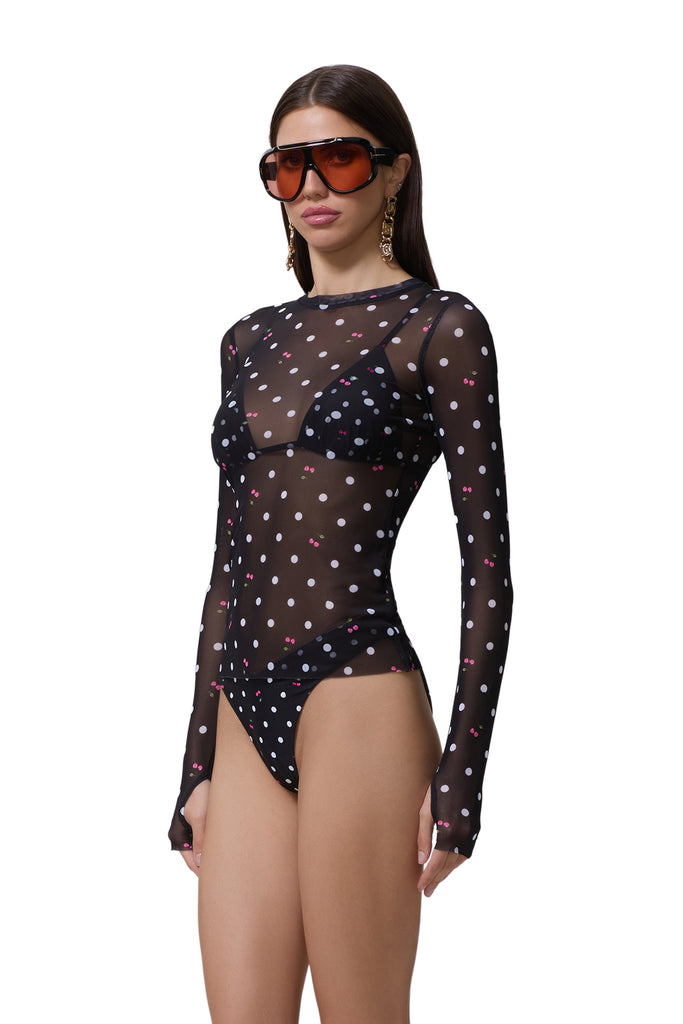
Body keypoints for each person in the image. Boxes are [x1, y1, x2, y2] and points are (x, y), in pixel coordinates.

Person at [168, 64, 513, 1023]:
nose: (312, 185)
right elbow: (227, 568)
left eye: (340, 158)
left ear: (393, 172)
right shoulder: (247, 340)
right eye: (288, 167)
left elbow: (486, 569)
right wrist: (196, 761)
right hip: (244, 703)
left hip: (357, 691)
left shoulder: (440, 327)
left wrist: (462, 777)